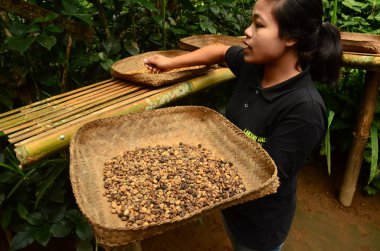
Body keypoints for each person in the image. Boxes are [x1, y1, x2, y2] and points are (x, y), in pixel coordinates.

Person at [144, 0, 342, 250]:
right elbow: (218, 50)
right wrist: (169, 63)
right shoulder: (254, 66)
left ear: (291, 37)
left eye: (259, 25)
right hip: (232, 210)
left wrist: (189, 180)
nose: (247, 31)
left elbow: (263, 179)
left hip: (260, 226)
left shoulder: (305, 110)